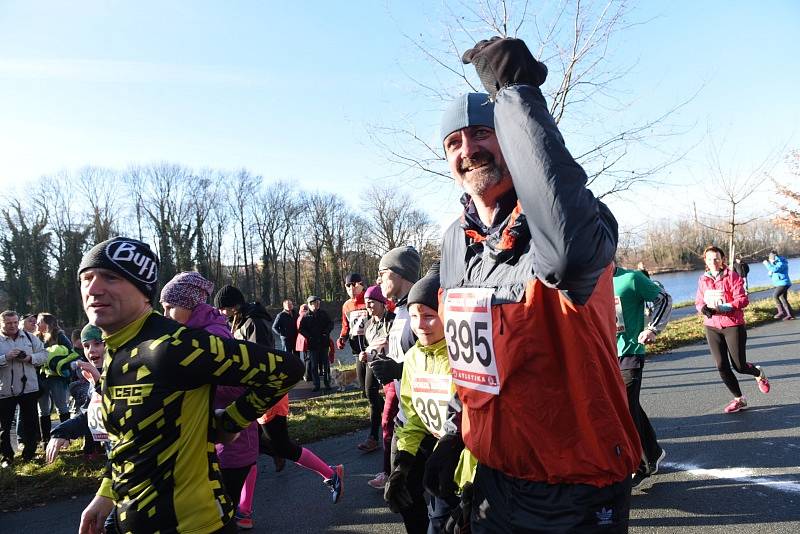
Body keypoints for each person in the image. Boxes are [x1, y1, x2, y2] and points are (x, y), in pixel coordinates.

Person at [436, 37, 640, 531]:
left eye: (482, 133)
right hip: (492, 481)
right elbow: (469, 361)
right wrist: (451, 433)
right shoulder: (454, 243)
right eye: (454, 142)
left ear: (511, 137)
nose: (468, 150)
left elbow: (569, 255)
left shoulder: (569, 223)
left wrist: (515, 95)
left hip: (574, 488)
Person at [76, 237, 304, 534]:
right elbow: (124, 439)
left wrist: (232, 421)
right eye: (86, 278)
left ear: (143, 291)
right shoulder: (118, 349)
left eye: (110, 277)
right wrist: (104, 495)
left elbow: (286, 369)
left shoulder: (175, 345)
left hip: (194, 525)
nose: (93, 289)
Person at [161, 271, 260, 519]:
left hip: (231, 443)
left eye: (169, 307)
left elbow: (237, 386)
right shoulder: (190, 334)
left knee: (218, 516)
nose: (165, 315)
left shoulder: (214, 337)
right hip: (210, 441)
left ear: (189, 304)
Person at [384, 265, 460, 533]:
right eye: (414, 316)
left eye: (429, 316)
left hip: (463, 463)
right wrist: (402, 465)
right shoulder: (414, 356)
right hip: (433, 456)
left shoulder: (461, 355)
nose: (420, 325)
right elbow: (413, 416)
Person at [613, 263, 673, 488]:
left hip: (630, 352)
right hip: (605, 355)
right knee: (630, 406)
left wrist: (653, 329)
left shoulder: (631, 278)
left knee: (625, 409)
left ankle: (641, 466)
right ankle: (653, 452)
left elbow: (664, 299)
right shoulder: (589, 282)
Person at [697, 245, 771, 414]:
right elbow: (698, 300)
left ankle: (757, 372)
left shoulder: (732, 276)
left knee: (739, 366)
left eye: (716, 258)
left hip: (733, 324)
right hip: (712, 326)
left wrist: (724, 307)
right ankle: (739, 399)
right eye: (709, 259)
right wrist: (703, 308)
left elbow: (743, 300)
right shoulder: (703, 279)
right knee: (721, 365)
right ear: (706, 261)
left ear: (722, 259)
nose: (713, 262)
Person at [46, 324, 108, 463]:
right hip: (114, 456)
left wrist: (99, 384)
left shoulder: (125, 370)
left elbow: (120, 409)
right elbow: (91, 415)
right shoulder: (94, 373)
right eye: (86, 346)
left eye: (97, 344)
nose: (91, 350)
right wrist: (62, 431)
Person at [0, 310, 47, 466]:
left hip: (28, 388)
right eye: (9, 323)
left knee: (30, 423)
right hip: (4, 390)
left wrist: (29, 358)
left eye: (15, 322)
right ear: (2, 324)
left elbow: (44, 355)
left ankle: (29, 454)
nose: (13, 326)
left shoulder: (29, 337)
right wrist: (5, 358)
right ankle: (7, 457)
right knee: (4, 427)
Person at [357, 286, 393, 458]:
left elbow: (388, 343)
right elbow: (366, 342)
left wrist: (372, 353)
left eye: (371, 302)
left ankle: (373, 437)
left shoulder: (391, 319)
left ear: (381, 302)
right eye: (366, 303)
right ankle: (384, 409)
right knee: (367, 393)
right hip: (368, 359)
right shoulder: (369, 322)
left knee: (371, 393)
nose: (368, 306)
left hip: (384, 361)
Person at [36, 312, 78, 443]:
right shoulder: (35, 337)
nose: (37, 324)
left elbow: (71, 353)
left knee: (61, 406)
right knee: (43, 410)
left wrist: (59, 364)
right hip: (41, 377)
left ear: (47, 323)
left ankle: (65, 437)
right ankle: (46, 440)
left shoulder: (59, 335)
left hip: (57, 378)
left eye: (39, 321)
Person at [298, 296, 334, 392]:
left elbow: (331, 324)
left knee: (326, 364)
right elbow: (301, 329)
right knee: (314, 366)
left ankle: (327, 383)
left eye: (318, 303)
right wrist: (308, 336)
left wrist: (326, 332)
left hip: (323, 343)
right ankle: (316, 384)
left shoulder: (324, 314)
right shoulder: (305, 316)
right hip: (312, 344)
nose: (318, 305)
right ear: (310, 304)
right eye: (315, 303)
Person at [337, 273, 369, 356]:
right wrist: (342, 338)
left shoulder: (370, 300)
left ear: (361, 285)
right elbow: (346, 326)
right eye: (348, 285)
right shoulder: (346, 305)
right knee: (359, 369)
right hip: (356, 348)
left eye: (354, 284)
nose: (351, 288)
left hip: (372, 348)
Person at [763, 251, 795, 320]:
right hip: (780, 283)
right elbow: (773, 273)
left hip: (783, 283)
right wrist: (770, 273)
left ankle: (781, 312)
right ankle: (790, 315)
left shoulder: (782, 263)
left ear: (774, 257)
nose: (770, 260)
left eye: (770, 258)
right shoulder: (776, 263)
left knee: (775, 295)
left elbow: (775, 269)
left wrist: (767, 264)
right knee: (783, 298)